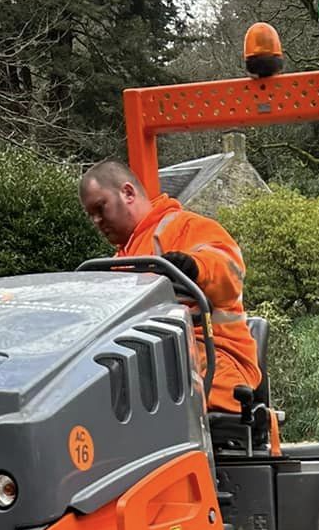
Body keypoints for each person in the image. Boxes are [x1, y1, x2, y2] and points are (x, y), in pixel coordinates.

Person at [79, 159, 263, 415]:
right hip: (153, 367)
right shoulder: (118, 264)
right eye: (91, 215)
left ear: (128, 193)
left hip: (214, 362)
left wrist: (194, 266)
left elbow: (228, 270)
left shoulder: (185, 227)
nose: (97, 221)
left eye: (101, 208)